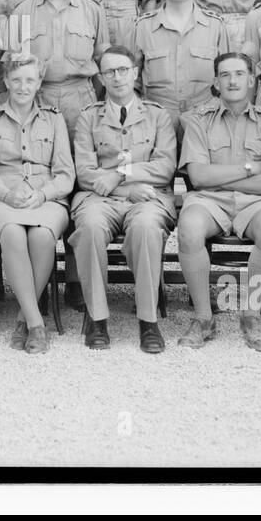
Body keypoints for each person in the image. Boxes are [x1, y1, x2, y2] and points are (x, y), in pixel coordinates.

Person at [8, 0, 107, 311]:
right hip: (38, 98)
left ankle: (76, 279)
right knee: (42, 176)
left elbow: (103, 58)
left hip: (80, 98)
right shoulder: (21, 9)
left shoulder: (92, 8)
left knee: (79, 184)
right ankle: (39, 276)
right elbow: (13, 63)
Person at [70, 46, 178, 354]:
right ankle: (97, 317)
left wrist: (119, 175)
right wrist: (124, 189)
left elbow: (164, 167)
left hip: (148, 198)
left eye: (123, 70)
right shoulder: (89, 117)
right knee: (89, 227)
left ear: (135, 73)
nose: (117, 77)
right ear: (101, 78)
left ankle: (148, 320)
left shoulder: (157, 115)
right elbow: (85, 173)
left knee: (145, 228)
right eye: (109, 72)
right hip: (100, 199)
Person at [176, 52, 261, 351]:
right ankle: (202, 318)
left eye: (239, 73)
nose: (232, 80)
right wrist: (250, 169)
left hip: (258, 202)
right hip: (210, 200)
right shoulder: (199, 121)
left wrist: (220, 177)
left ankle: (251, 315)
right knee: (188, 227)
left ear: (252, 80)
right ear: (216, 82)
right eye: (225, 74)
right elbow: (198, 177)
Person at [0, 54, 75, 355]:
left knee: (43, 235)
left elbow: (66, 174)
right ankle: (36, 324)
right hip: (2, 198)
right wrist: (6, 194)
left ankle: (23, 318)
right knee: (14, 233)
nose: (23, 86)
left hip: (47, 197)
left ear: (39, 83)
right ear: (6, 82)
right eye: (16, 80)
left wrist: (42, 195)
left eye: (30, 80)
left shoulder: (54, 119)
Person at [133, 0, 230, 143]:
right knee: (158, 172)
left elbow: (226, 79)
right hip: (156, 119)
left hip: (204, 117)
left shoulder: (215, 26)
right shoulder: (143, 27)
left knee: (199, 172)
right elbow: (132, 82)